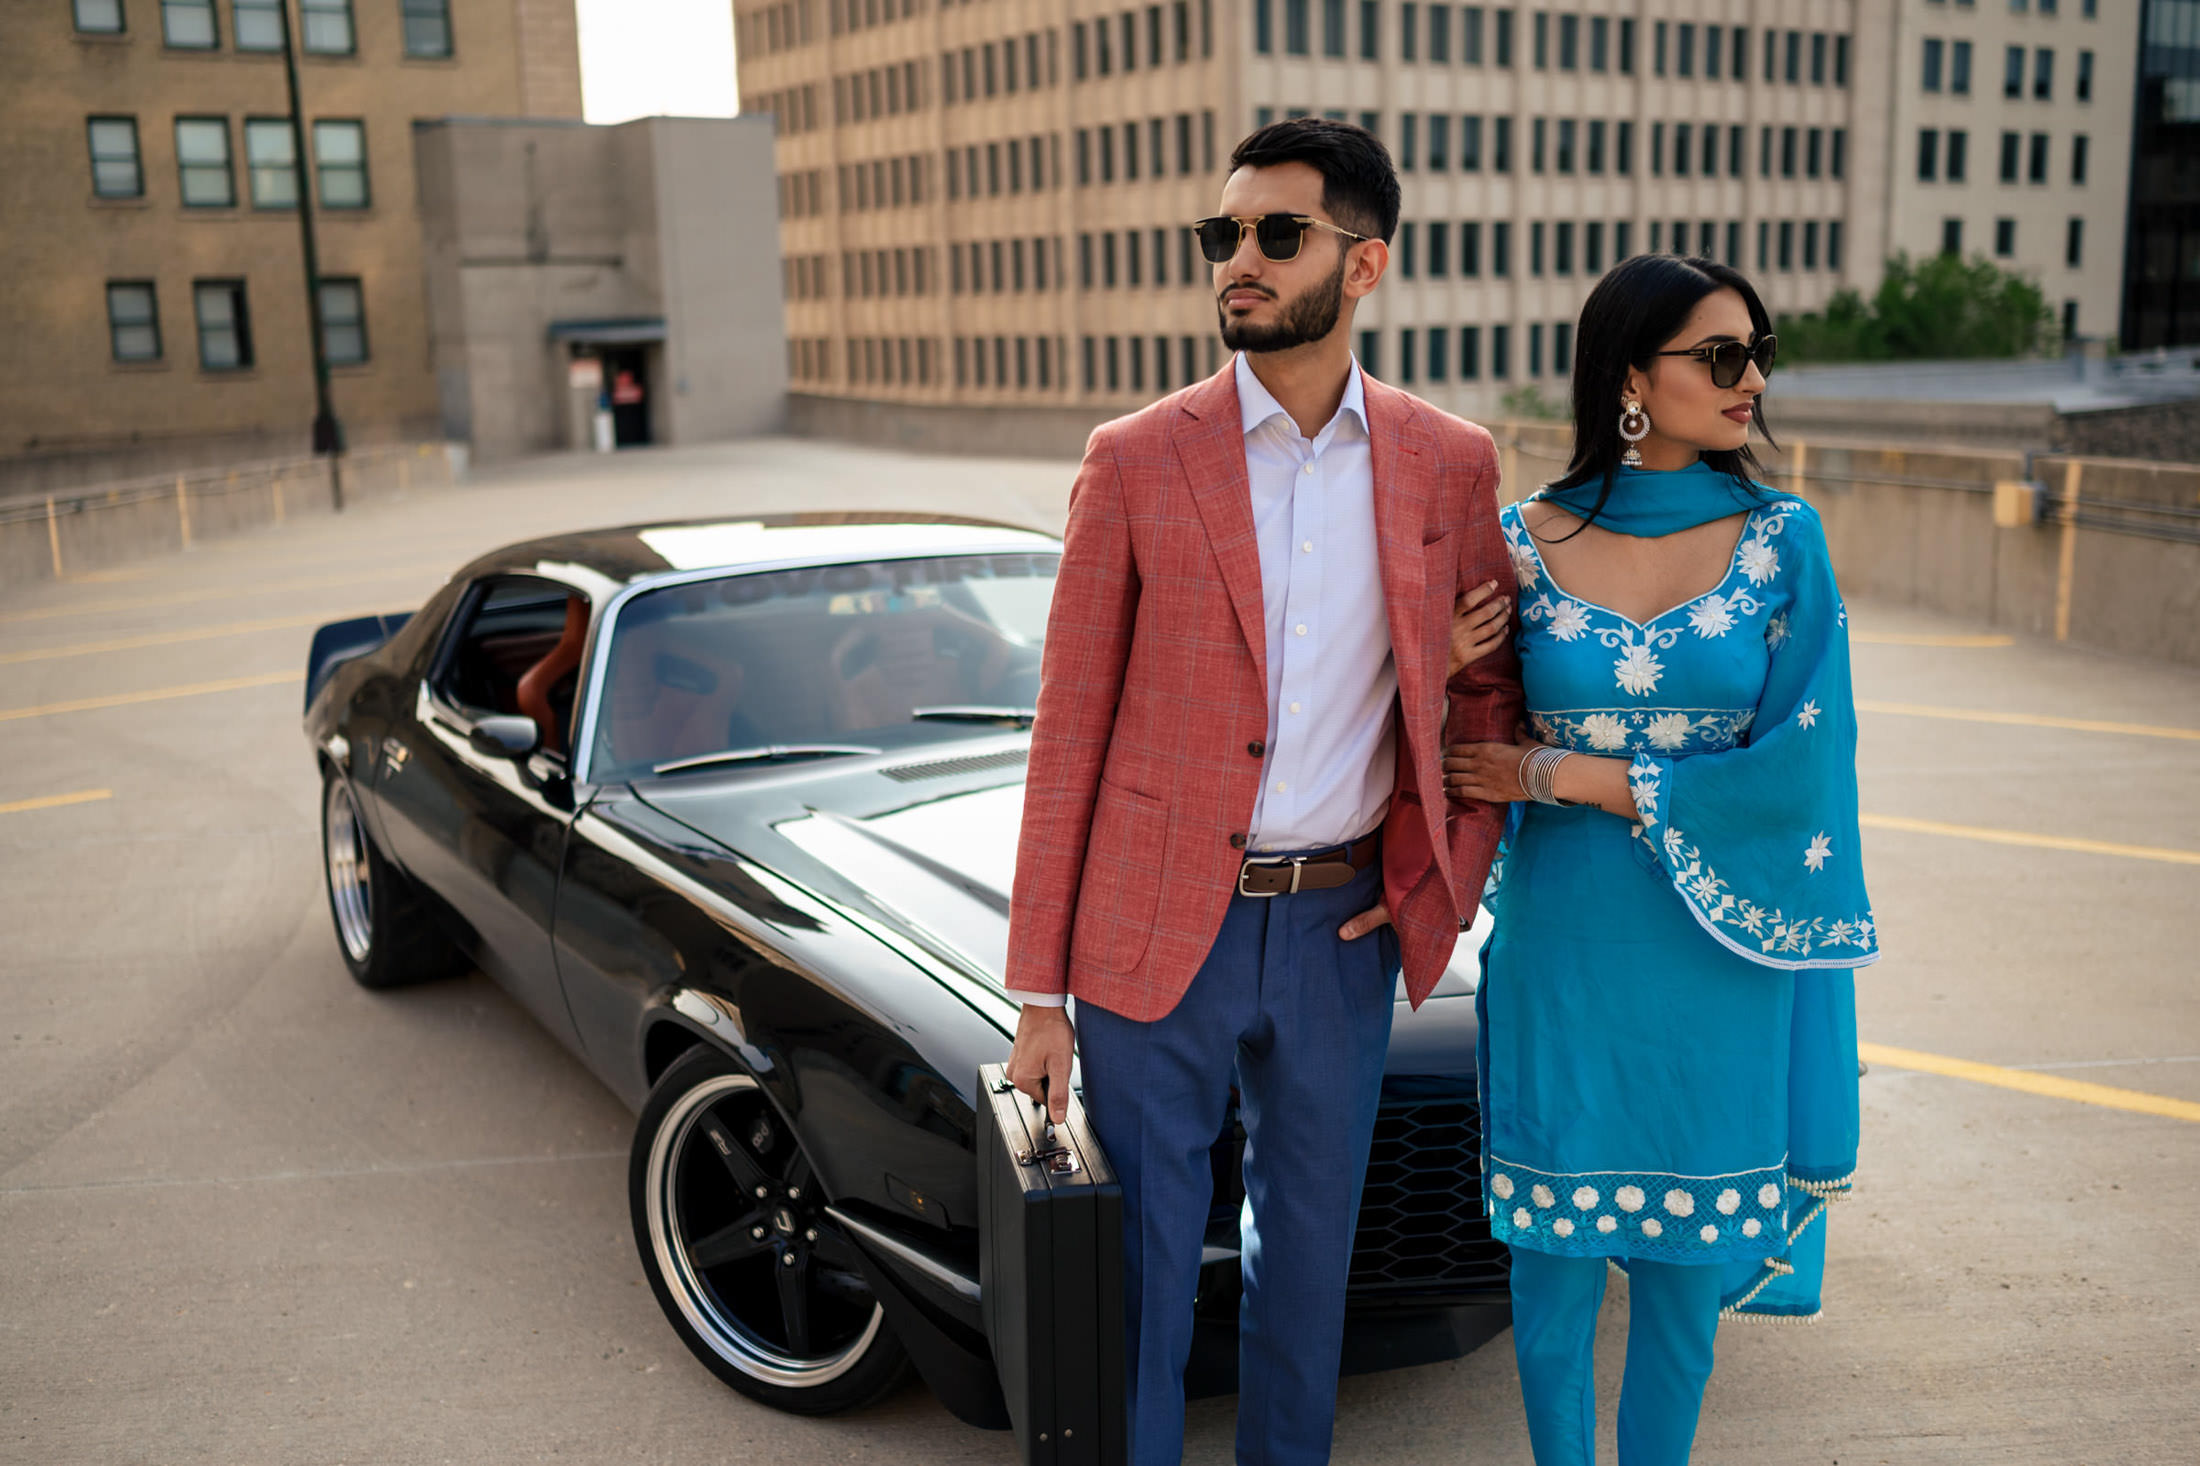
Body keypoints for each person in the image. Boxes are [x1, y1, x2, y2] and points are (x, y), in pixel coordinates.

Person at [1001, 117, 1524, 1466]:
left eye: (1274, 234)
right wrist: (1039, 990)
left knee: (1308, 1264)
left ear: (1364, 265)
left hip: (1339, 925)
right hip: (1149, 927)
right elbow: (1068, 730)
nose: (1237, 258)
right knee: (1143, 1266)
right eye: (1221, 235)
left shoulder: (1448, 461)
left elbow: (1480, 705)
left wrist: (1431, 889)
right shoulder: (1134, 455)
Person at [1443, 254, 1874, 1466]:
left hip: (1723, 947)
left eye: (1757, 354)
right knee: (1552, 1281)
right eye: (1720, 355)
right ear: (1632, 375)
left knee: (1683, 1293)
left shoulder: (1783, 540)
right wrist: (1430, 668)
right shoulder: (1516, 543)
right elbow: (1451, 747)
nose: (1750, 381)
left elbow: (1805, 766)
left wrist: (1568, 774)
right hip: (1564, 946)